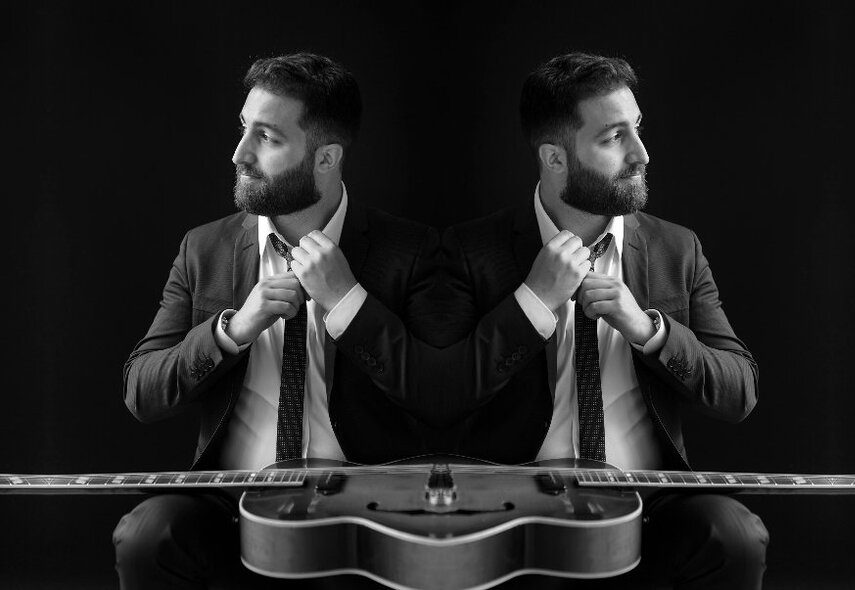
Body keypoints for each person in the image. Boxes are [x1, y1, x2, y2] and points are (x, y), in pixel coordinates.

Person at [440, 53, 769, 588]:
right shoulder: (471, 252)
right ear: (555, 158)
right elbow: (441, 396)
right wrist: (531, 303)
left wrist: (648, 329)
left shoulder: (675, 249)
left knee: (731, 534)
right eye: (613, 137)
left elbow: (740, 391)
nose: (641, 153)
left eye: (635, 129)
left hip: (653, 509)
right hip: (517, 512)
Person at [113, 52, 437, 589]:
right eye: (245, 129)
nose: (240, 153)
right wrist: (233, 329)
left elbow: (440, 398)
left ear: (326, 157)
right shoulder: (205, 248)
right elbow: (141, 390)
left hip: (363, 511)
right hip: (227, 509)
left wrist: (350, 302)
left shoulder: (408, 251)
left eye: (268, 137)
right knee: (149, 535)